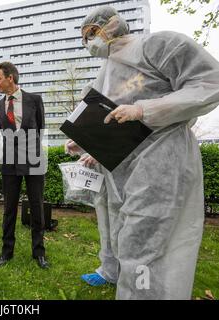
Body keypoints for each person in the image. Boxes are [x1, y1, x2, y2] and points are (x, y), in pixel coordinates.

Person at [66, 6, 219, 299]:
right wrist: (84, 141)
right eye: (84, 38)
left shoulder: (156, 46)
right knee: (131, 241)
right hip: (125, 170)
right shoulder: (105, 72)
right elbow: (105, 117)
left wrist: (144, 109)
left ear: (110, 26)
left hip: (162, 161)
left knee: (146, 245)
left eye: (91, 34)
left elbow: (209, 82)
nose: (88, 43)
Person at [0, 62, 49, 269]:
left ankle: (39, 252)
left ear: (10, 78)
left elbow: (40, 128)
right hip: (9, 161)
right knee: (9, 209)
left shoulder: (35, 100)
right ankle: (6, 252)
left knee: (37, 206)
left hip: (33, 158)